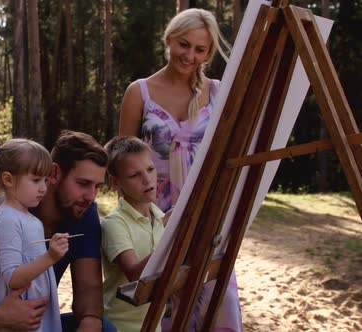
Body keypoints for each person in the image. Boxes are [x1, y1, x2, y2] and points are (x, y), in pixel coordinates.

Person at [118, 8, 242, 332]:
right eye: (183, 44)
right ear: (169, 39)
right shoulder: (138, 92)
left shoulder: (217, 92)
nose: (190, 55)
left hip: (207, 214)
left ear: (209, 53)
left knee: (218, 300)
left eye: (200, 49)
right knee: (164, 307)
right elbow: (121, 160)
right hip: (155, 215)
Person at [0, 130, 114, 332]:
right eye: (83, 184)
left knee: (103, 328)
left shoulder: (84, 212)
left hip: (33, 325)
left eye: (97, 186)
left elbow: (89, 287)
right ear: (54, 173)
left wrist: (90, 322)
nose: (91, 196)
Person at [0, 139, 69, 331]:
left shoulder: (30, 219)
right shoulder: (8, 219)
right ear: (8, 179)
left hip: (35, 317)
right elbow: (13, 278)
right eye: (36, 180)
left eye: (45, 180)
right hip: (19, 320)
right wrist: (51, 257)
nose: (43, 188)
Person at [101, 136, 167, 331]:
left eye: (150, 169)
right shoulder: (115, 224)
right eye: (134, 175)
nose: (147, 179)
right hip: (118, 326)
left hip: (154, 324)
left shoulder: (160, 217)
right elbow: (135, 274)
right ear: (115, 182)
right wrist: (173, 237)